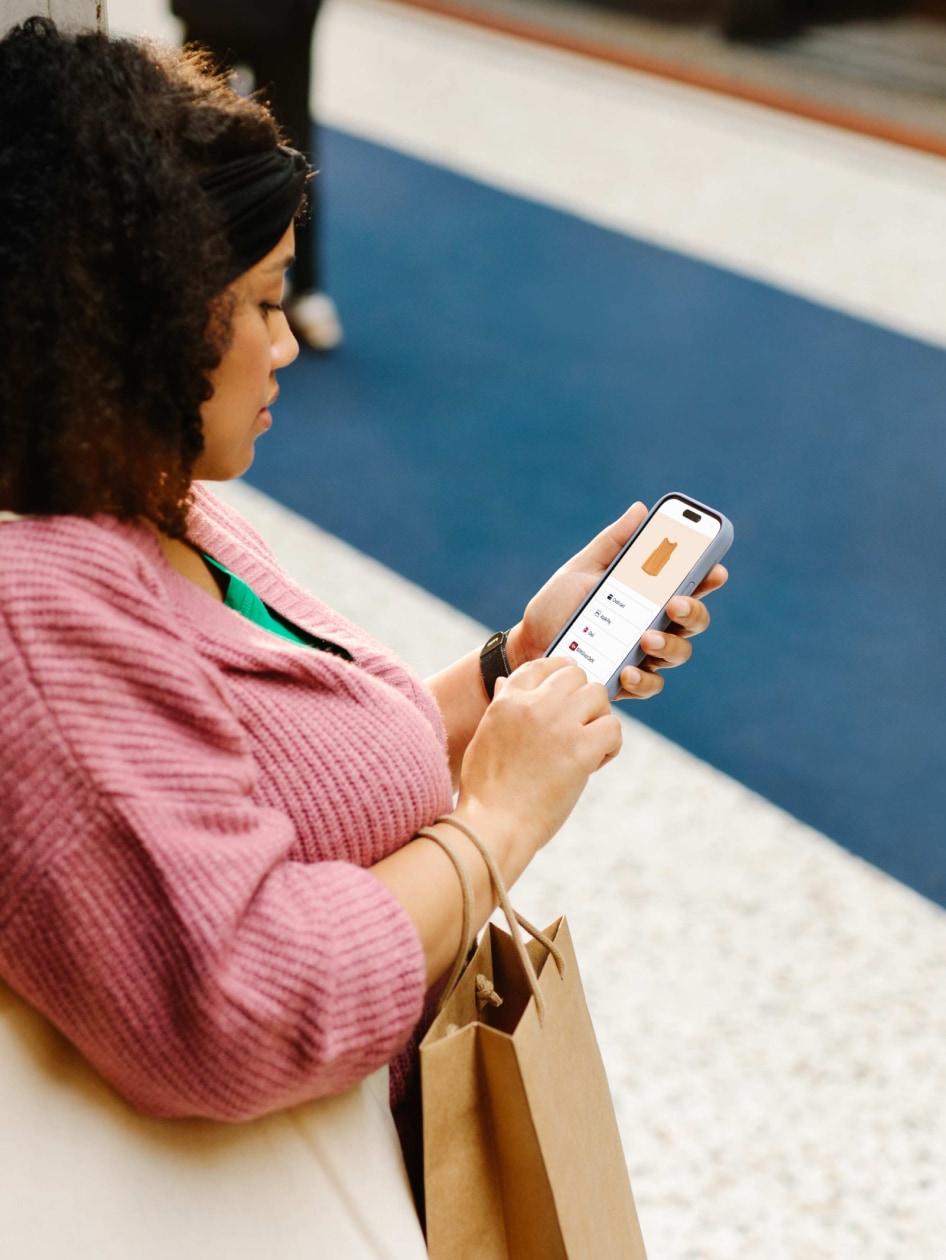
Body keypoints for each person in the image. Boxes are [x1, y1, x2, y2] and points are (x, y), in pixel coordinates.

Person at [0, 15, 726, 1241]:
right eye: (263, 302)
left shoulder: (146, 499)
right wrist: (499, 818)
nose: (285, 345)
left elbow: (271, 771)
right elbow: (240, 1001)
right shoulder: (44, 609)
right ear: (136, 324)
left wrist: (506, 671)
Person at [170, 0, 343, 350]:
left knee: (292, 137)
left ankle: (305, 286)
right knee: (192, 136)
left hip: (285, 16)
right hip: (211, 13)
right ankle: (181, 273)